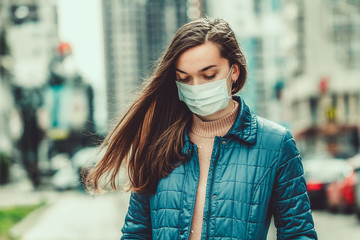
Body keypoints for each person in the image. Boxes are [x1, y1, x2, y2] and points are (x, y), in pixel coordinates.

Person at [87, 17, 317, 239]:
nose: (196, 87)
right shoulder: (156, 144)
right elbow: (136, 233)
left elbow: (298, 233)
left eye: (208, 75)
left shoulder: (275, 144)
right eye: (185, 79)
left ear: (234, 72)